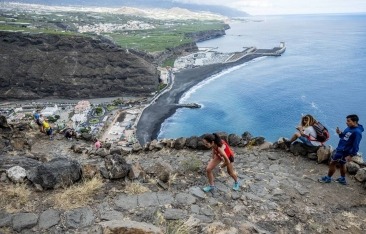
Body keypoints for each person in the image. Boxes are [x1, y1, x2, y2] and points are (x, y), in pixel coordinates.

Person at [319, 114, 363, 185]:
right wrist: (340, 133)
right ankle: (342, 179)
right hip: (341, 149)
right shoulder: (349, 128)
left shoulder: (357, 132)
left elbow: (356, 145)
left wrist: (351, 155)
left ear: (355, 122)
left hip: (344, 151)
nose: (346, 122)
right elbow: (344, 137)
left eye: (348, 121)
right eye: (347, 121)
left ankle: (328, 178)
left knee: (332, 163)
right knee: (342, 164)